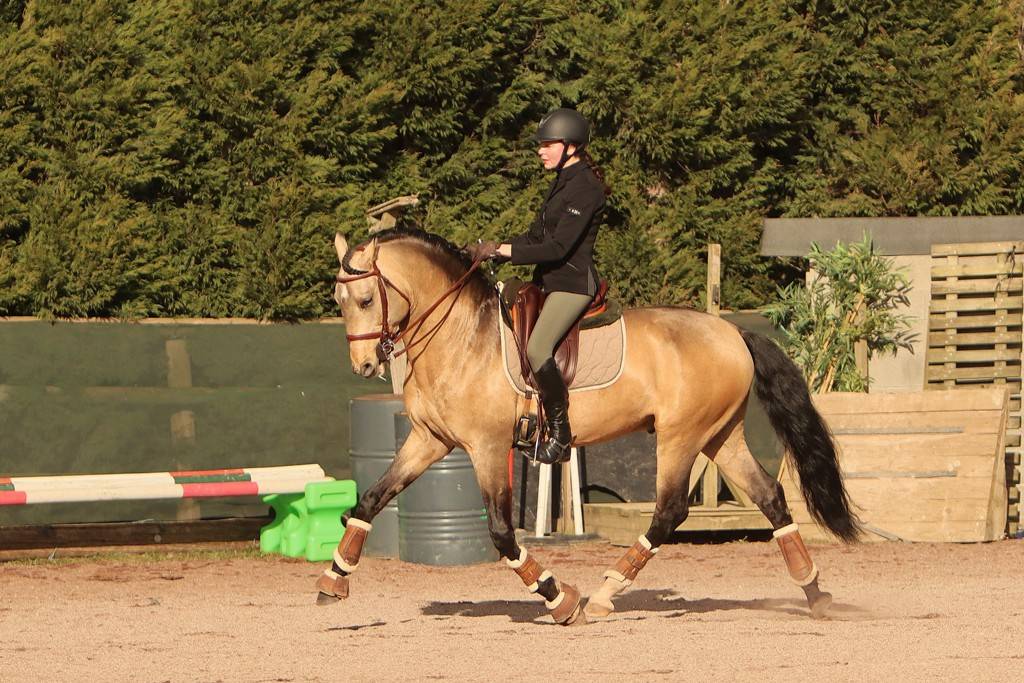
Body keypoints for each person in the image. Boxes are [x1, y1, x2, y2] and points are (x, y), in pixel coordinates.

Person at [470, 107, 611, 464]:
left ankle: (561, 435)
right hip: (547, 280)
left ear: (570, 145)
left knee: (537, 349)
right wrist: (492, 251)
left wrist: (505, 250)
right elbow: (535, 235)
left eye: (547, 144)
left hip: (572, 284)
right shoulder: (561, 181)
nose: (540, 150)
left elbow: (559, 247)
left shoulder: (586, 188)